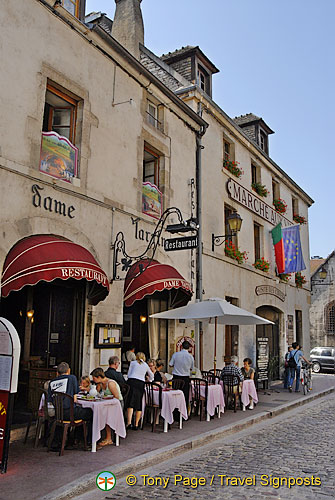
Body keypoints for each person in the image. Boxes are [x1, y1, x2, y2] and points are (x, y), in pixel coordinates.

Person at [47, 362, 92, 450]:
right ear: (68, 371)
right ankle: (84, 440)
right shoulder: (72, 378)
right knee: (90, 412)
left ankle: (67, 440)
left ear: (57, 372)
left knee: (77, 413)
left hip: (58, 414)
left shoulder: (51, 382)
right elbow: (75, 398)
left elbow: (50, 400)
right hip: (69, 413)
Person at [90, 367, 123, 448]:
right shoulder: (100, 383)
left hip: (117, 404)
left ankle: (109, 438)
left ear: (99, 377)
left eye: (94, 378)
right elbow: (96, 393)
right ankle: (106, 437)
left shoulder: (110, 383)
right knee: (100, 414)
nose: (93, 380)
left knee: (105, 415)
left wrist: (105, 398)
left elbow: (117, 397)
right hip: (107, 403)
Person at [126, 352, 153, 430]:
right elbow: (152, 375)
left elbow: (129, 374)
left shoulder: (133, 363)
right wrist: (149, 380)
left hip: (132, 382)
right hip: (140, 383)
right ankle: (136, 424)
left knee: (130, 403)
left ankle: (129, 423)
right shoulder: (145, 365)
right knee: (138, 403)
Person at [169, 340, 194, 405]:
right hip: (186, 378)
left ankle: (175, 410)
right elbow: (191, 368)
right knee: (185, 395)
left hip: (176, 377)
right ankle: (183, 412)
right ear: (189, 348)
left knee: (175, 394)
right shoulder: (191, 357)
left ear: (181, 347)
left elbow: (170, 364)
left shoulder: (175, 354)